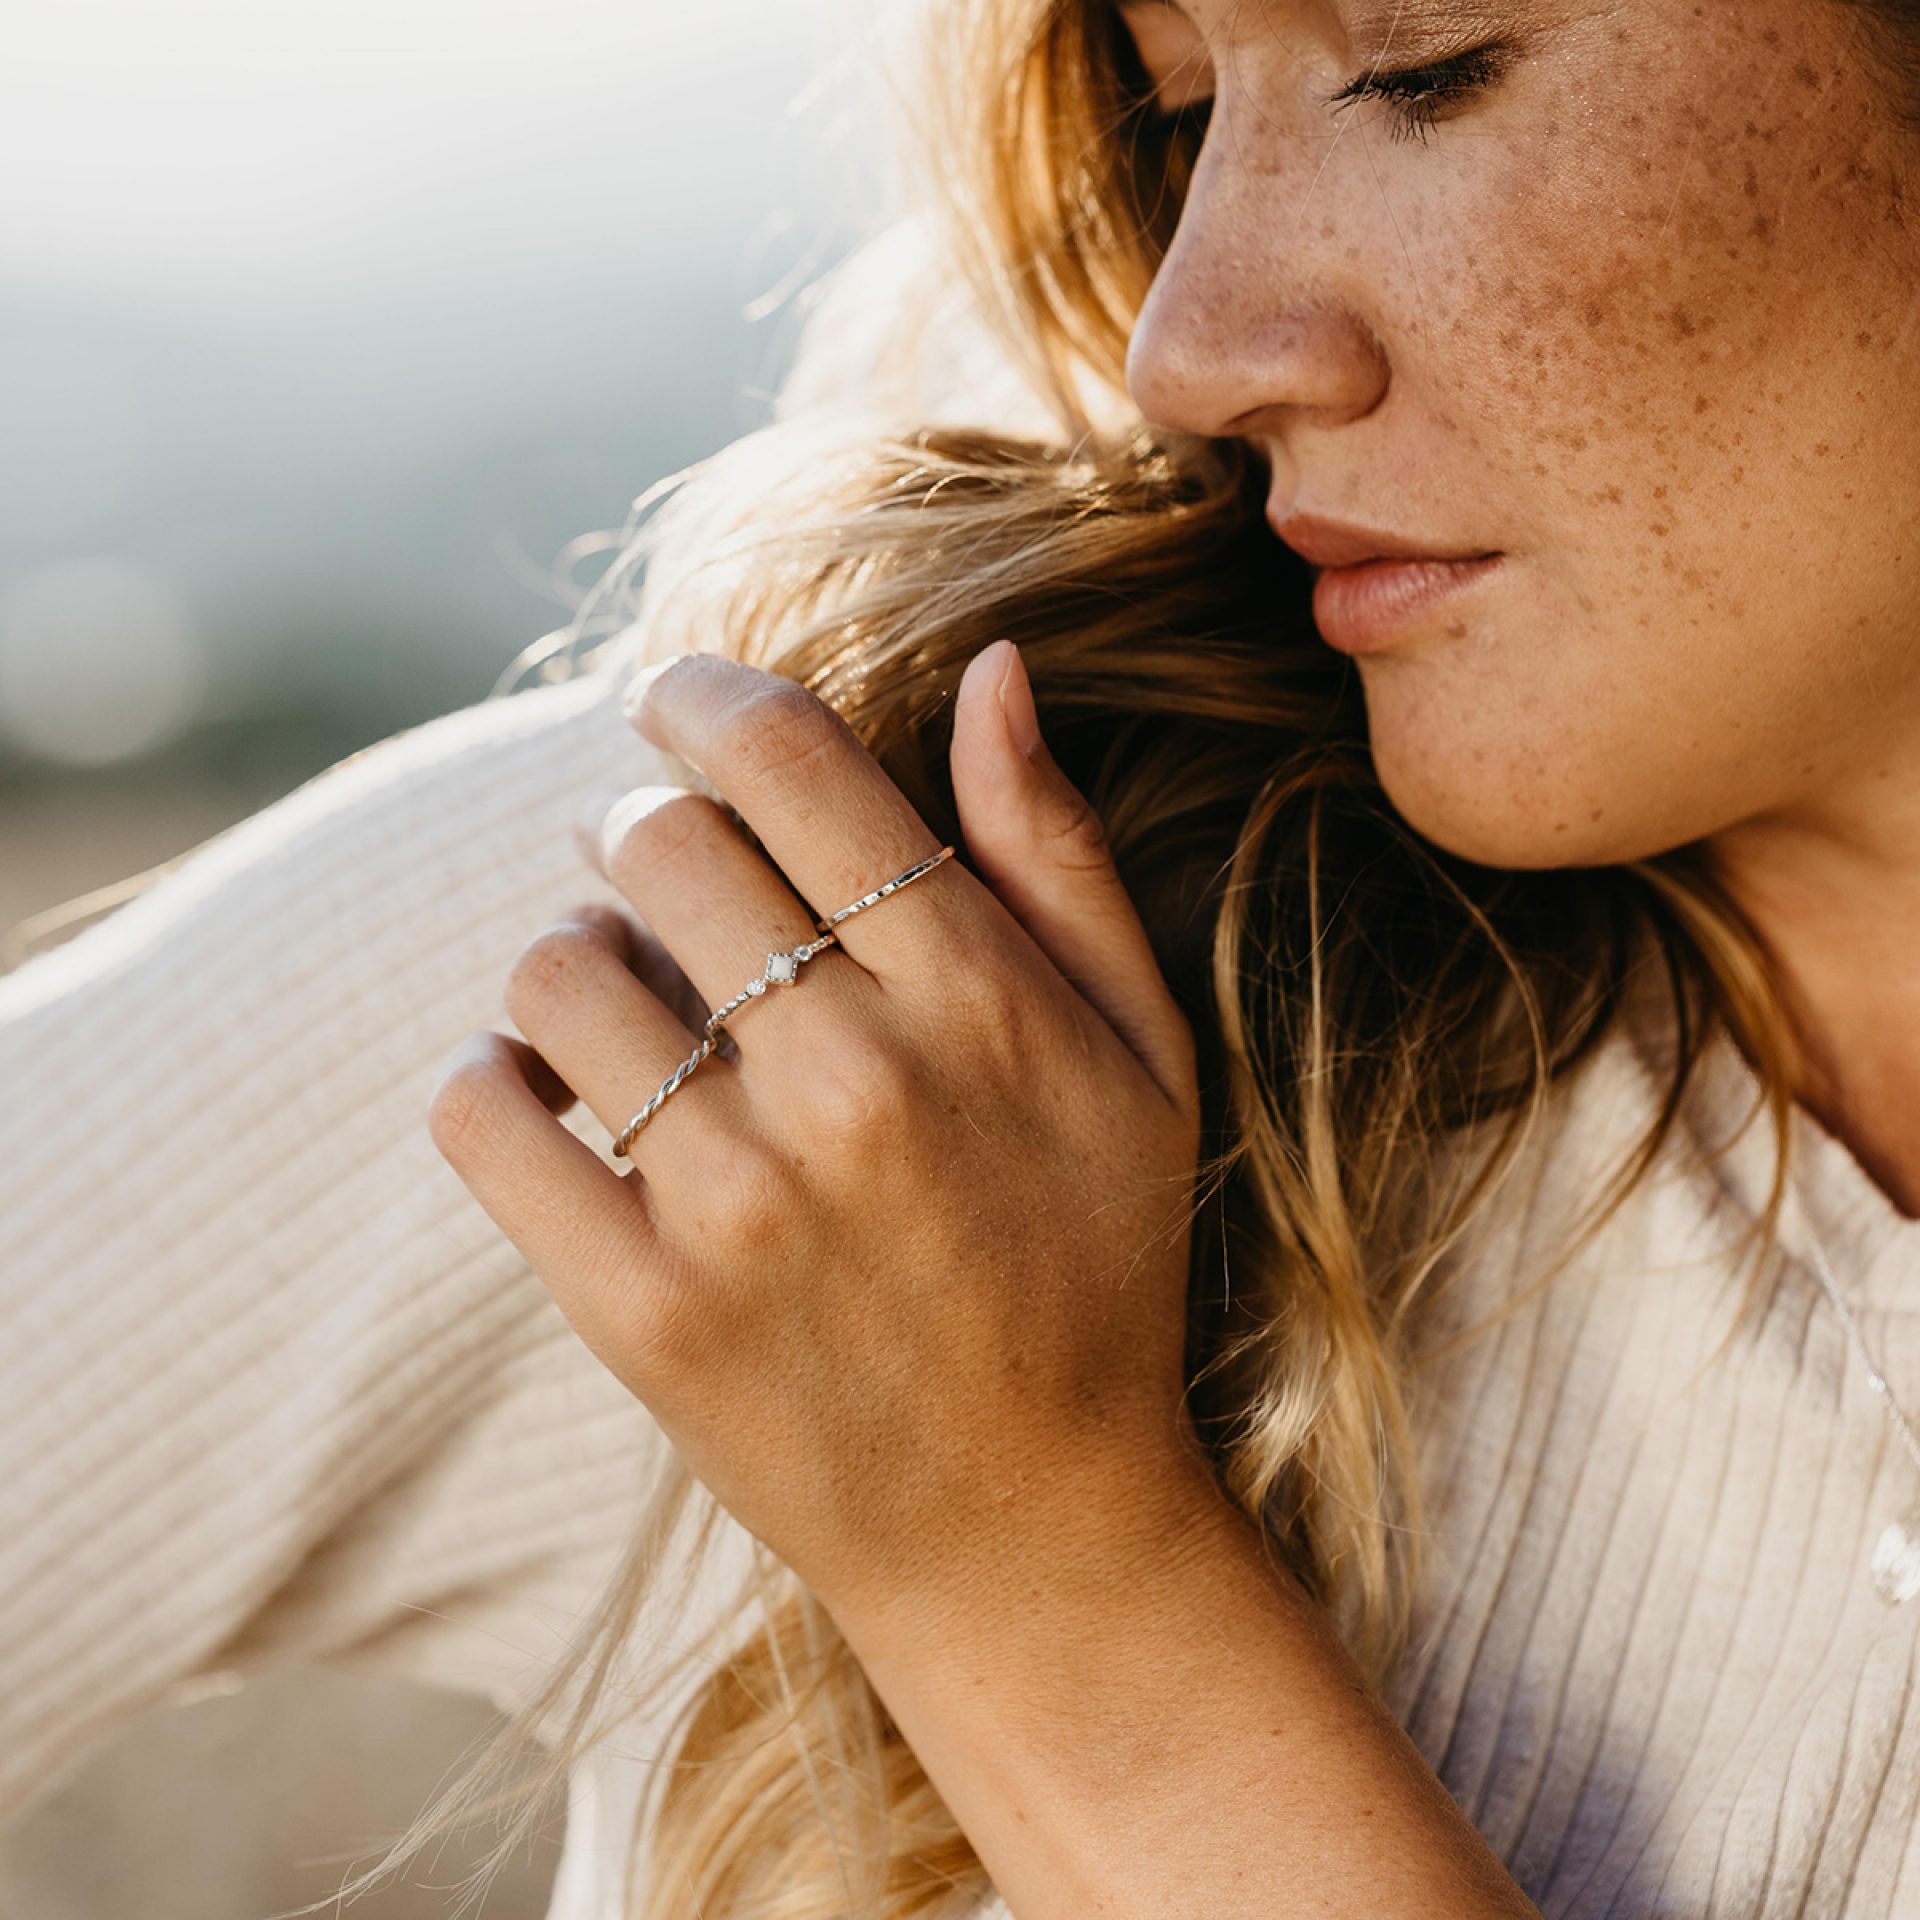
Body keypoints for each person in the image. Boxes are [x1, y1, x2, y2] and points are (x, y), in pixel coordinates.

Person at [5, 0, 1919, 1914]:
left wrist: (1040, 1584)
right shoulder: (806, 1000)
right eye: (1182, 108)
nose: (1189, 347)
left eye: (1421, 63)